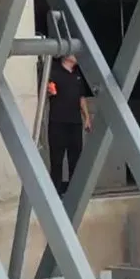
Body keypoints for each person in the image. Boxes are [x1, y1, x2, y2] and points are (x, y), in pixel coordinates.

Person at [45, 53, 92, 196]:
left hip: (75, 122)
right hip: (58, 121)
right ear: (65, 56)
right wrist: (48, 91)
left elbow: (81, 98)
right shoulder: (54, 72)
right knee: (57, 159)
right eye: (73, 53)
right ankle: (55, 191)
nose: (77, 56)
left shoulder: (77, 75)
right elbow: (46, 92)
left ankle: (74, 191)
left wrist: (87, 118)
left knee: (76, 159)